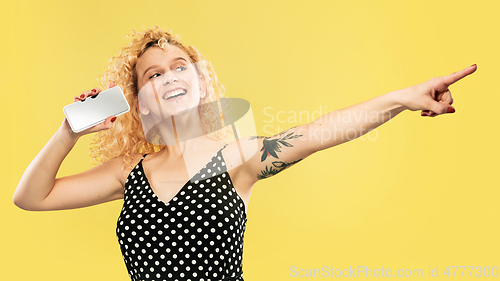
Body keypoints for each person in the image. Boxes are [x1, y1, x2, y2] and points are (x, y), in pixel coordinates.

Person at [12, 26, 478, 281]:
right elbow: (30, 197)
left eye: (180, 67)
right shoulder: (127, 172)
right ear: (138, 98)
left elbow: (321, 131)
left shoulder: (238, 157)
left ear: (199, 84)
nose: (169, 76)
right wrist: (68, 131)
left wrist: (402, 98)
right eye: (153, 75)